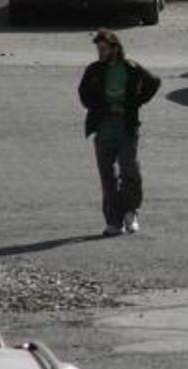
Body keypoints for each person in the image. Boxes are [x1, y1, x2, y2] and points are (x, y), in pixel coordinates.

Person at [78, 29, 160, 237]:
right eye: (98, 49)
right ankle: (114, 221)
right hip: (104, 129)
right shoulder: (94, 70)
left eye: (103, 48)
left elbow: (154, 82)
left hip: (126, 127)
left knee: (130, 171)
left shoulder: (130, 67)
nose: (100, 52)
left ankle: (130, 212)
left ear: (115, 48)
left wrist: (134, 103)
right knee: (107, 176)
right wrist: (102, 108)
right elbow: (83, 94)